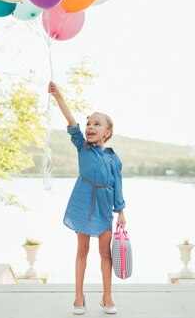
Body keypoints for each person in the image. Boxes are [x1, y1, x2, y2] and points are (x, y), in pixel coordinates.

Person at [48, 81, 126, 316]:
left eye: (96, 124)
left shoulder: (113, 158)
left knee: (105, 253)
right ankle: (79, 297)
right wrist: (58, 95)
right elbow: (72, 122)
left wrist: (121, 212)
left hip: (104, 207)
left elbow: (118, 186)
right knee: (82, 250)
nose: (90, 127)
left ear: (107, 132)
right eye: (89, 123)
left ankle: (107, 296)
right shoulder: (83, 147)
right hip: (83, 203)